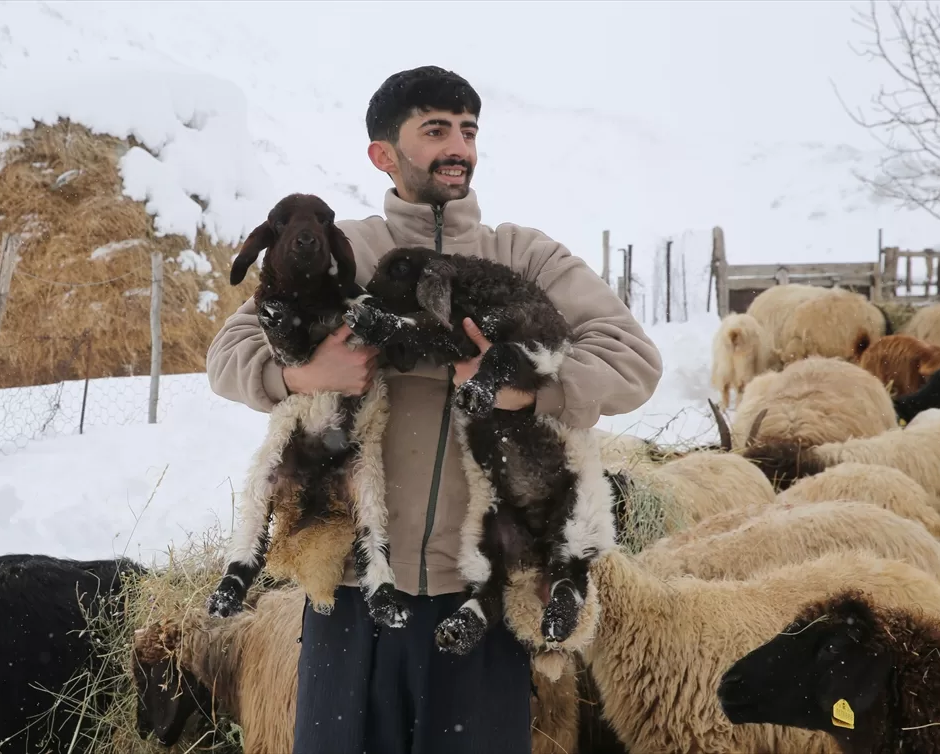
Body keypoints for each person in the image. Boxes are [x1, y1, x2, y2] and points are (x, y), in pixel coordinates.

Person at [205, 65, 663, 754]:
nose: (460, 147)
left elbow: (633, 358)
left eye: (469, 130)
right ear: (383, 154)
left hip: (477, 595)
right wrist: (302, 372)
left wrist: (530, 389)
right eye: (437, 129)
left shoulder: (521, 255)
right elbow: (229, 349)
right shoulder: (347, 250)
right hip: (354, 591)